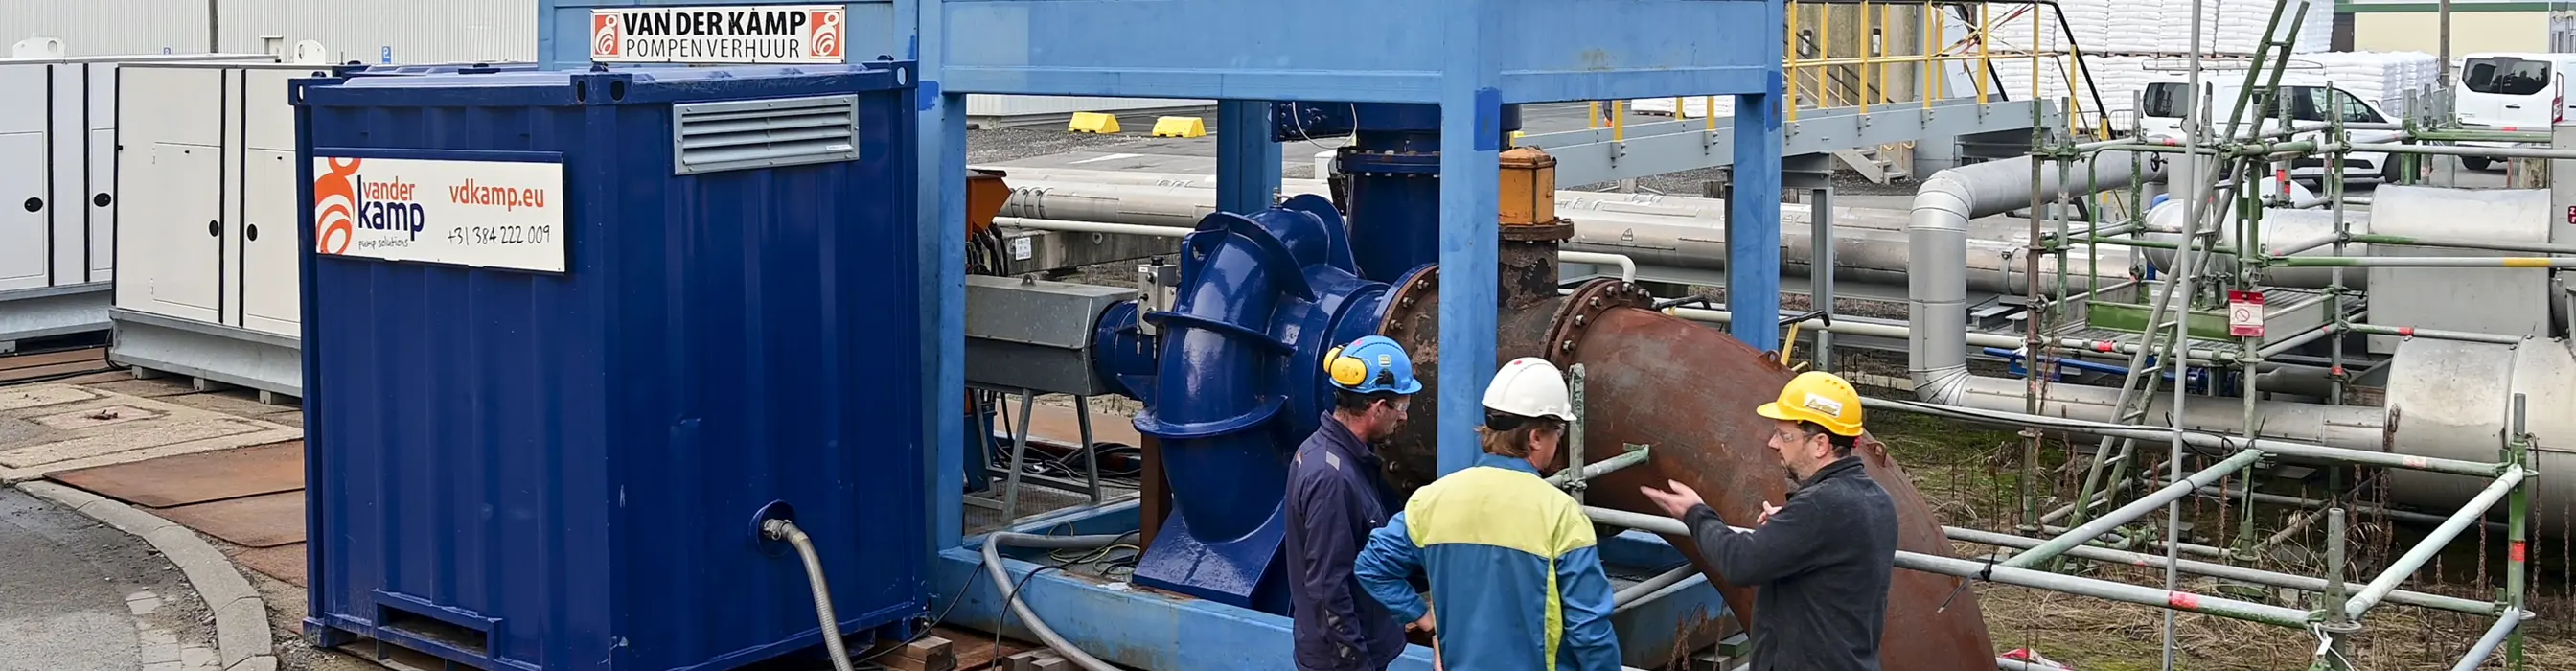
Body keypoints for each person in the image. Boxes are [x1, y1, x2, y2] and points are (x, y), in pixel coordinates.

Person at [1352, 357, 1622, 671]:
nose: (1557, 444)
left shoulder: (1430, 501)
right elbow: (1589, 629)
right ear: (1535, 437)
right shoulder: (1560, 514)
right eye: (1557, 434)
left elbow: (1372, 567)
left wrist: (1427, 620)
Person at [1637, 370, 1898, 671]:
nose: (1773, 443)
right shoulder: (1877, 500)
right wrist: (1788, 528)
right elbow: (1831, 550)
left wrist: (1695, 513)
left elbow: (1740, 562)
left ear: (1820, 444)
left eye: (1784, 436)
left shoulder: (1820, 507)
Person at [1286, 335, 1421, 671]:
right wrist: (1355, 664)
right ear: (1378, 407)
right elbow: (1328, 589)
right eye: (1402, 407)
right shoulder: (1331, 478)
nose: (1404, 418)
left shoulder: (1327, 453)